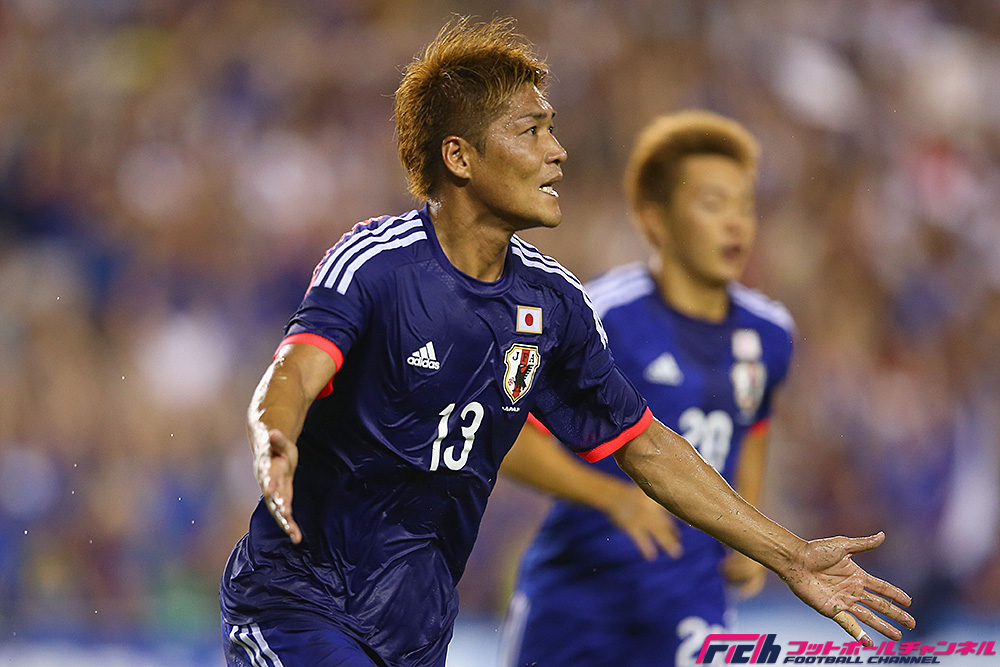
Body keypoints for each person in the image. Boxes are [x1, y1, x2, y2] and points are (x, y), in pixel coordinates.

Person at [219, 16, 914, 667]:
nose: (557, 151)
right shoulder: (377, 264)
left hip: (414, 633)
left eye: (551, 129)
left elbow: (647, 445)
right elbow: (295, 372)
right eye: (531, 131)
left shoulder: (551, 304)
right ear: (459, 156)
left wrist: (789, 555)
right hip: (296, 605)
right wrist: (272, 435)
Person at [498, 111, 794, 667]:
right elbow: (510, 439)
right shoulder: (602, 319)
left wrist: (747, 529)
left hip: (691, 600)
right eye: (713, 204)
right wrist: (612, 497)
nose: (736, 224)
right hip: (578, 599)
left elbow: (752, 425)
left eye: (745, 206)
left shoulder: (770, 334)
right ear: (655, 219)